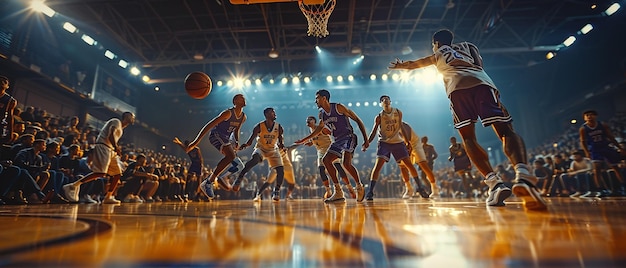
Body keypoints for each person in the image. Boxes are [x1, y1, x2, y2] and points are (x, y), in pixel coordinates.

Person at [389, 29, 546, 210]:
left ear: (436, 43)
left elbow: (415, 64)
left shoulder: (437, 53)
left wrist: (401, 65)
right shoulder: (470, 47)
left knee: (469, 138)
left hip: (457, 90)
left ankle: (494, 183)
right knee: (506, 131)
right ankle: (523, 174)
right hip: (482, 84)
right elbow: (479, 66)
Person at [295, 89, 369, 203]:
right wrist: (303, 140)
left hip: (348, 136)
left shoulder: (339, 107)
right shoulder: (323, 114)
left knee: (346, 163)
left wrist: (366, 139)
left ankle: (359, 186)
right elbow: (319, 130)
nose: (315, 101)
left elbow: (358, 120)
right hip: (337, 140)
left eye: (317, 98)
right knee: (326, 160)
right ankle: (338, 191)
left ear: (324, 98)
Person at [176, 94, 246, 200]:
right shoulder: (227, 113)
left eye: (244, 98)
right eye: (241, 98)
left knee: (238, 164)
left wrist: (236, 141)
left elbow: (236, 129)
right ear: (235, 101)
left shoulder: (243, 117)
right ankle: (218, 177)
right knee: (231, 156)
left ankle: (212, 180)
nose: (244, 99)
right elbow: (209, 125)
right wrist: (196, 141)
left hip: (226, 138)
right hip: (215, 135)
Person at [363, 95, 429, 201]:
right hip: (384, 142)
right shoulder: (379, 117)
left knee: (409, 165)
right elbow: (374, 131)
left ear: (390, 102)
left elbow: (401, 127)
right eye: (383, 100)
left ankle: (420, 188)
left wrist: (407, 141)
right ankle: (370, 192)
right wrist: (367, 142)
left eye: (387, 99)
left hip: (398, 142)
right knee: (378, 166)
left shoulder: (398, 112)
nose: (386, 101)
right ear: (381, 104)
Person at [62, 112, 136, 204]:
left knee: (117, 174)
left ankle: (108, 197)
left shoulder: (122, 128)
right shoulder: (116, 121)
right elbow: (110, 135)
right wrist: (116, 147)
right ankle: (72, 185)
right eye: (131, 116)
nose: (133, 118)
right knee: (100, 173)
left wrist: (115, 148)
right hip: (104, 146)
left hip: (110, 149)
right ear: (126, 116)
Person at [232, 107, 285, 202]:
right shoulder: (259, 126)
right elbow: (250, 140)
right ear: (267, 115)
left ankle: (276, 191)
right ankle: (239, 178)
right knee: (254, 160)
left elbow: (281, 141)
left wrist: (282, 146)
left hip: (273, 150)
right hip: (261, 148)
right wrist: (245, 145)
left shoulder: (279, 127)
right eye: (272, 113)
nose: (275, 114)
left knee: (280, 170)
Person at [301, 116, 356, 199]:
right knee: (321, 170)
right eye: (307, 120)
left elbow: (331, 133)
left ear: (314, 121)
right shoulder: (310, 131)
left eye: (309, 120)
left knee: (339, 168)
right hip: (320, 151)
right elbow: (315, 139)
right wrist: (311, 143)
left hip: (329, 149)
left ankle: (349, 187)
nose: (307, 121)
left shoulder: (321, 128)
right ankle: (328, 190)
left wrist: (339, 142)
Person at [579, 109, 625, 197]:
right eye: (587, 115)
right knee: (597, 169)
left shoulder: (602, 125)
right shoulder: (583, 129)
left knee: (615, 167)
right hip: (595, 149)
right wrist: (587, 152)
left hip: (605, 147)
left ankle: (623, 186)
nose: (589, 116)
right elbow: (583, 141)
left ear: (596, 116)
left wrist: (619, 147)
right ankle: (600, 190)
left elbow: (610, 136)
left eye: (591, 114)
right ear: (584, 118)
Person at [399, 122, 439, 198]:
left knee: (423, 164)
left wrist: (407, 152)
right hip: (402, 145)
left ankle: (434, 188)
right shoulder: (388, 128)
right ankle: (409, 188)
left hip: (414, 143)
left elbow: (408, 141)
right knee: (402, 166)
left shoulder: (403, 125)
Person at [0, 76, 17, 145]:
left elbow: (10, 117)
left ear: (7, 86)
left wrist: (10, 133)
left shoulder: (10, 100)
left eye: (5, 82)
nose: (2, 82)